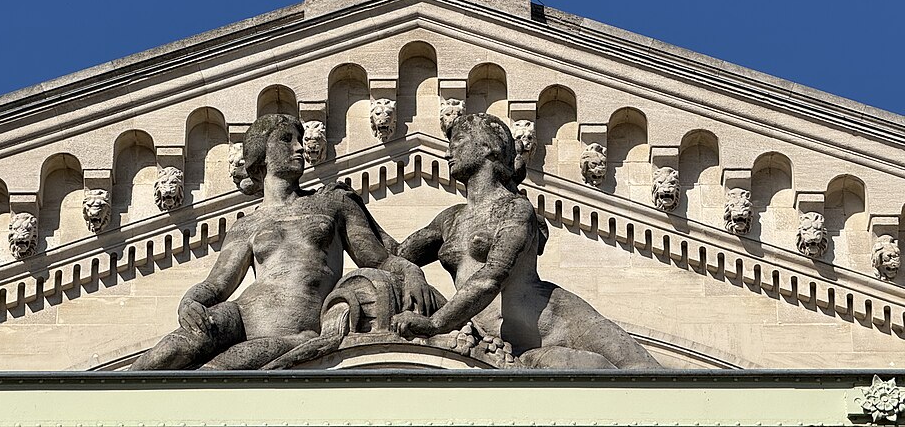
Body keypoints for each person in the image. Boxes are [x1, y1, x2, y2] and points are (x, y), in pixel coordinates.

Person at [131, 114, 434, 370]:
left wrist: (411, 271)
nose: (300, 147)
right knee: (171, 349)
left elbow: (378, 259)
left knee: (220, 369)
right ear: (261, 153)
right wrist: (190, 301)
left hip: (296, 330)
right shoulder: (246, 225)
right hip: (241, 316)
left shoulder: (333, 203)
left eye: (298, 139)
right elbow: (216, 285)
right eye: (286, 140)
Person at [390, 113, 660, 369]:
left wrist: (436, 324)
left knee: (647, 375)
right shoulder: (449, 220)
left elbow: (492, 277)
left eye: (458, 142)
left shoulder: (515, 209)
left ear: (488, 148)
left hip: (559, 321)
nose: (448, 152)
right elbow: (391, 257)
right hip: (520, 347)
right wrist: (350, 208)